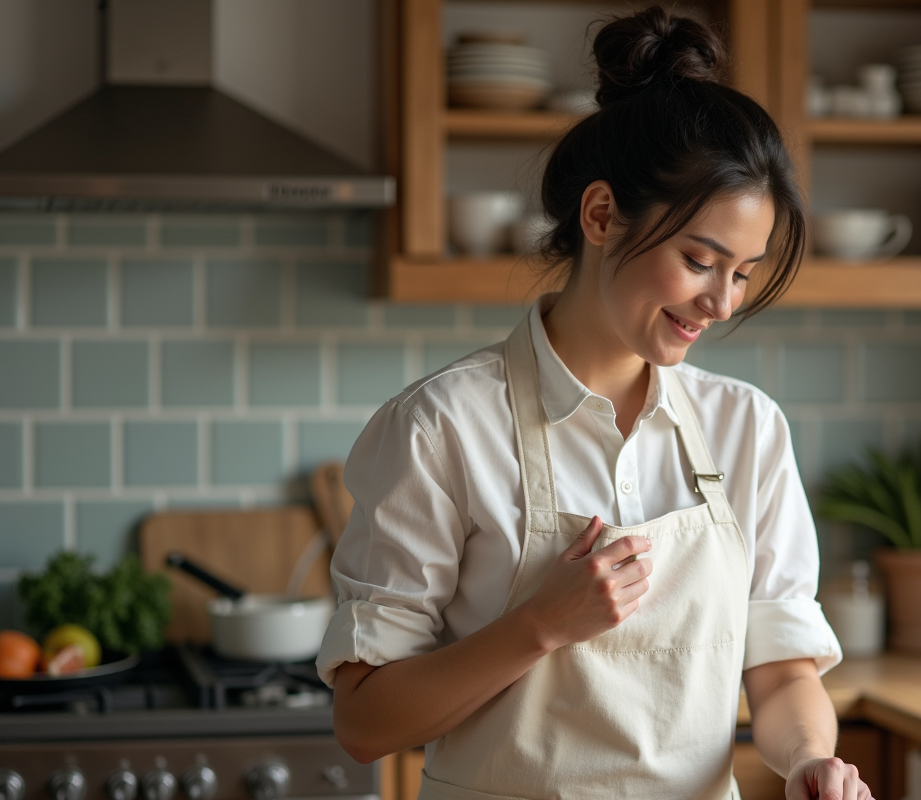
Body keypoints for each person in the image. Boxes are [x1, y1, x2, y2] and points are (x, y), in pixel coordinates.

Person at [318, 6, 871, 799]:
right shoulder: (443, 427)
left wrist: (810, 757)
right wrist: (540, 624)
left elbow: (781, 671)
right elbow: (365, 723)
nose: (721, 301)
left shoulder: (745, 428)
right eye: (699, 260)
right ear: (602, 215)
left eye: (743, 272)